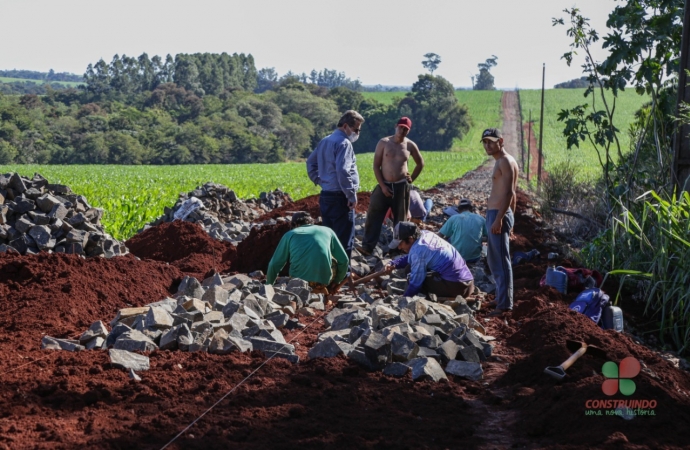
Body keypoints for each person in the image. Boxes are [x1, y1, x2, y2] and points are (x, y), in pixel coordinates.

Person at [359, 117, 425, 255]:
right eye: (400, 127)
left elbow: (420, 163)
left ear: (409, 131)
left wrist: (411, 177)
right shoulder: (384, 142)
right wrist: (382, 186)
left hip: (401, 187)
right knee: (374, 213)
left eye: (405, 129)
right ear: (396, 126)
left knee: (401, 220)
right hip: (384, 185)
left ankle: (397, 250)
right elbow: (376, 166)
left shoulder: (410, 145)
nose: (402, 130)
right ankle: (367, 246)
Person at [307, 110, 364, 259]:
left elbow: (310, 163)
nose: (357, 133)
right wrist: (351, 195)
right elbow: (343, 171)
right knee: (344, 241)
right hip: (341, 198)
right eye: (356, 129)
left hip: (326, 195)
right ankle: (343, 278)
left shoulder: (325, 141)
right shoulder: (344, 143)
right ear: (345, 126)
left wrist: (320, 180)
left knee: (328, 239)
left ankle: (329, 275)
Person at [481, 128, 519, 316]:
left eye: (491, 141)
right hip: (497, 214)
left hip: (498, 215)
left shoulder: (505, 161)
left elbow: (510, 193)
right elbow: (511, 195)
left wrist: (501, 219)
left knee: (502, 261)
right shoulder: (502, 161)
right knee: (494, 259)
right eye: (485, 142)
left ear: (500, 141)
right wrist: (510, 220)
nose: (487, 145)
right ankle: (500, 296)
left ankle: (504, 305)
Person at [385, 221, 474, 299]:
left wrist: (404, 300)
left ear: (410, 239)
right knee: (410, 268)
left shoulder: (418, 251)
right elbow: (412, 258)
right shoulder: (425, 234)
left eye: (401, 243)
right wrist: (394, 263)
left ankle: (429, 299)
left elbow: (416, 283)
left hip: (458, 288)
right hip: (467, 282)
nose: (399, 247)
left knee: (411, 276)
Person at [266, 212, 349, 294]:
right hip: (323, 282)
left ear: (295, 224)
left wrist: (269, 286)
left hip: (298, 283)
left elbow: (274, 264)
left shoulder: (290, 234)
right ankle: (321, 288)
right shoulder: (328, 231)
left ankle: (312, 290)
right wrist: (337, 280)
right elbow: (344, 260)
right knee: (332, 259)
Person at [438, 198, 487, 263]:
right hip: (475, 257)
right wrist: (478, 238)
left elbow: (440, 236)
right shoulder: (480, 218)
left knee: (449, 237)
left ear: (458, 209)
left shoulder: (454, 218)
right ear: (471, 208)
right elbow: (489, 238)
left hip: (458, 258)